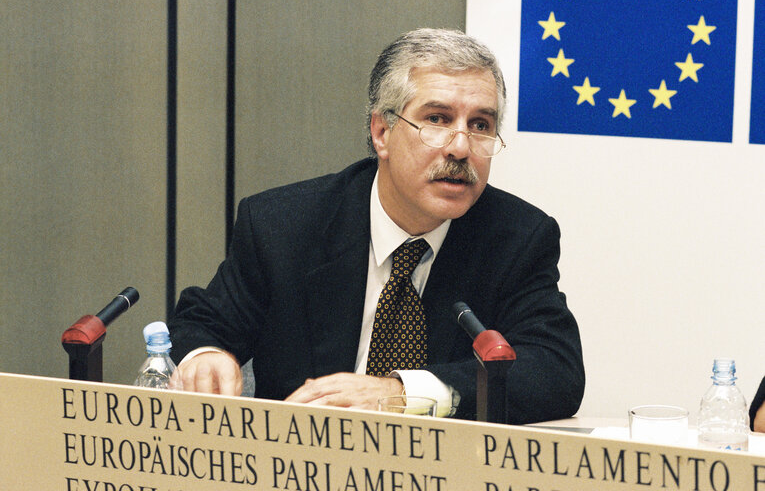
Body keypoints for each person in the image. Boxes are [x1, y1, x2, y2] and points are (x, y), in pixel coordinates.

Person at [167, 28, 585, 424]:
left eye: (480, 125)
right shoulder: (284, 225)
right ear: (382, 132)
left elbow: (554, 372)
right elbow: (204, 322)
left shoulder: (517, 238)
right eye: (438, 119)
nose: (461, 146)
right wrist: (207, 355)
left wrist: (400, 394)